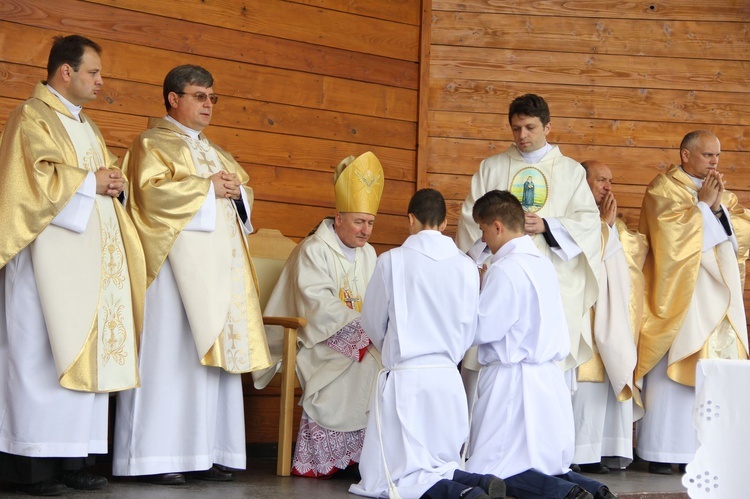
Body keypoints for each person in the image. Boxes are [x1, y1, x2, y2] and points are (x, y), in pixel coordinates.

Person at [112, 64, 272, 484]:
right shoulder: (151, 143)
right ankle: (157, 457)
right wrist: (206, 189)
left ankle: (209, 451)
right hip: (172, 274)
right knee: (172, 360)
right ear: (173, 99)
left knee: (210, 367)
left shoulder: (216, 151)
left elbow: (243, 193)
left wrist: (238, 193)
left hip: (217, 273)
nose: (208, 105)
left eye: (212, 97)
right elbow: (148, 195)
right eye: (200, 96)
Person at [0, 35, 145, 496]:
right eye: (94, 73)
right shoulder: (32, 116)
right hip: (46, 263)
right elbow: (32, 178)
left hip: (89, 262)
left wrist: (113, 182)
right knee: (39, 354)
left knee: (85, 352)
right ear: (66, 71)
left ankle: (72, 460)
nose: (101, 81)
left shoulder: (87, 125)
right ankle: (30, 466)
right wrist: (91, 182)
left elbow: (97, 179)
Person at [350, 188, 504, 499]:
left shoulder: (391, 261)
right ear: (446, 223)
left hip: (407, 377)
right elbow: (471, 325)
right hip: (448, 377)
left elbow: (372, 320)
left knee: (401, 474)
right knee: (439, 457)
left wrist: (395, 352)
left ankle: (460, 493)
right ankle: (470, 481)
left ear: (410, 219)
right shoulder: (465, 266)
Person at [464, 190, 615, 499]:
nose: (483, 239)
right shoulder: (541, 264)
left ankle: (567, 495)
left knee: (496, 466)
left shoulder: (505, 269)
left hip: (512, 381)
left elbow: (484, 327)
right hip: (546, 377)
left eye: (482, 230)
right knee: (542, 462)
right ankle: (595, 491)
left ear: (497, 226)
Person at [253, 151, 385, 477]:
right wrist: (361, 331)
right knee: (365, 363)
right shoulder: (314, 249)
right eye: (358, 222)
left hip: (354, 334)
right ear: (338, 219)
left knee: (387, 363)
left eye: (370, 223)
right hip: (309, 336)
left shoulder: (368, 254)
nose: (365, 231)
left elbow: (378, 300)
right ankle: (331, 461)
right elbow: (316, 304)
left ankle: (363, 455)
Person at [456, 94, 600, 381]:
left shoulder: (571, 171)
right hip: (500, 274)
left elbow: (588, 221)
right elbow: (471, 220)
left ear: (548, 127)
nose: (522, 136)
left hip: (553, 276)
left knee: (546, 364)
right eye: (516, 128)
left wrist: (548, 225)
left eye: (530, 128)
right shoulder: (491, 167)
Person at [635, 130, 750, 475]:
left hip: (717, 296)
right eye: (707, 156)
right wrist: (702, 207)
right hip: (679, 299)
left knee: (714, 372)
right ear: (685, 155)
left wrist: (716, 209)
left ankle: (712, 450)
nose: (715, 163)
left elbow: (742, 233)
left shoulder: (721, 195)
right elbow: (667, 241)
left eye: (717, 156)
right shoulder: (662, 189)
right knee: (674, 375)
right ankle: (664, 450)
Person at [572, 161, 646, 473]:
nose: (608, 187)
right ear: (582, 182)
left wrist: (610, 227)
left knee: (606, 383)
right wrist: (603, 227)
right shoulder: (572, 216)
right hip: (583, 315)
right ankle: (578, 453)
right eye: (601, 180)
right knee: (585, 386)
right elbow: (582, 256)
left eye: (610, 180)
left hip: (610, 314)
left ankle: (600, 450)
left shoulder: (611, 221)